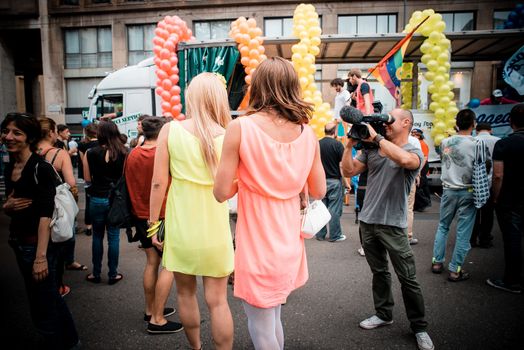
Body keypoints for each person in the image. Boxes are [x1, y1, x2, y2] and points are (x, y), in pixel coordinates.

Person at [214, 57, 326, 350]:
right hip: (289, 240)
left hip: (257, 243)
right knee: (273, 316)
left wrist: (248, 177)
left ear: (259, 86)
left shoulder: (241, 128)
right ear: (292, 86)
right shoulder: (307, 132)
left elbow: (221, 191)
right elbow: (319, 189)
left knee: (261, 324)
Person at [148, 73, 234, 348]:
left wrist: (153, 225)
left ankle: (196, 347)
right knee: (218, 301)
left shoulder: (170, 130)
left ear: (191, 98)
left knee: (185, 295)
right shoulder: (231, 135)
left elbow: (159, 182)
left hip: (182, 229)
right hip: (216, 232)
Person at [341, 109, 433, 350]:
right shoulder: (372, 150)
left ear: (406, 123)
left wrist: (378, 139)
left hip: (393, 225)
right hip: (368, 223)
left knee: (408, 278)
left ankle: (420, 327)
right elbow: (348, 171)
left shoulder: (412, 151)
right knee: (379, 273)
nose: (386, 124)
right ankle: (384, 314)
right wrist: (349, 145)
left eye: (390, 119)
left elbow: (404, 161)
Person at [1, 112, 79, 348]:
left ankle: (62, 342)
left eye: (17, 132)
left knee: (44, 302)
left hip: (37, 246)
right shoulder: (11, 165)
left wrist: (40, 257)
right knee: (46, 298)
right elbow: (13, 205)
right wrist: (7, 207)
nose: (9, 137)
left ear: (30, 137)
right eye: (6, 131)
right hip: (20, 242)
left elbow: (45, 215)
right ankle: (69, 341)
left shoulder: (40, 167)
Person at [124, 116, 182, 328]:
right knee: (169, 264)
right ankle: (158, 318)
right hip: (162, 214)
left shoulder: (133, 154)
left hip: (139, 215)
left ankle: (150, 310)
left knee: (151, 263)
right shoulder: (162, 154)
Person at [37, 117, 85, 298]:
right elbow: (71, 182)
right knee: (55, 245)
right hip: (54, 206)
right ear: (51, 133)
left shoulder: (29, 152)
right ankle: (57, 286)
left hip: (33, 208)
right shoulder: (59, 153)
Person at [431, 109, 479, 282]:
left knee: (443, 226)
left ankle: (437, 262)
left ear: (456, 124)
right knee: (463, 232)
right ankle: (455, 270)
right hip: (469, 191)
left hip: (449, 190)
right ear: (473, 124)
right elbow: (484, 167)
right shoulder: (477, 143)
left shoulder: (445, 142)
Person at [83, 120, 127, 285]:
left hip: (97, 197)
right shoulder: (124, 152)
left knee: (97, 236)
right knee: (114, 237)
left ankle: (95, 273)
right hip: (116, 199)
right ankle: (113, 274)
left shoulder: (90, 153)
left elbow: (87, 179)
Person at [487, 103, 524, 294]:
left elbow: (498, 175)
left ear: (511, 122)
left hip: (511, 199)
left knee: (513, 239)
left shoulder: (504, 144)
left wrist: (495, 197)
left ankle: (512, 280)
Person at [316, 122, 349, 242]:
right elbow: (342, 166)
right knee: (334, 209)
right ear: (334, 132)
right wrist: (346, 182)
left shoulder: (317, 144)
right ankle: (335, 235)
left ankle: (320, 234)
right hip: (334, 181)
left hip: (319, 182)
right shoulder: (338, 145)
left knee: (321, 208)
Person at [471, 123, 499, 248]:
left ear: (476, 130)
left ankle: (472, 239)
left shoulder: (473, 141)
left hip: (476, 182)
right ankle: (485, 239)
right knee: (488, 213)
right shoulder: (498, 141)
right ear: (490, 130)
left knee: (474, 212)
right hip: (492, 181)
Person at [77, 123, 98, 236]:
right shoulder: (103, 144)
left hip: (88, 176)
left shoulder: (82, 145)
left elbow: (84, 161)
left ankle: (89, 227)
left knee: (88, 202)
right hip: (100, 176)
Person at [411, 128, 431, 212]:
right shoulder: (416, 143)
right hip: (420, 164)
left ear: (419, 135)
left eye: (415, 134)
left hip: (422, 165)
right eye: (412, 133)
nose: (413, 135)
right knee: (423, 185)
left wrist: (419, 169)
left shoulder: (422, 144)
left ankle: (423, 203)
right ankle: (425, 202)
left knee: (419, 185)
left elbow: (424, 157)